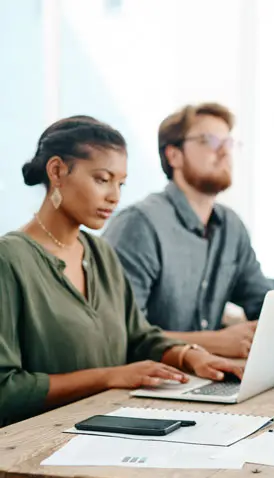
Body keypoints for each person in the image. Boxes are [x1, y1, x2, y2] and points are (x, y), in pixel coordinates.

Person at [0, 116, 241, 427]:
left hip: (109, 429)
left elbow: (139, 337)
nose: (115, 196)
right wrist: (110, 376)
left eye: (121, 183)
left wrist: (192, 356)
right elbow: (5, 388)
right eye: (102, 179)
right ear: (57, 171)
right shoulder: (10, 259)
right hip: (34, 447)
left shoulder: (100, 253)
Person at [104, 103, 274, 359]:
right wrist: (212, 342)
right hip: (145, 385)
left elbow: (261, 303)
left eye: (228, 143)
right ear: (174, 155)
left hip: (206, 376)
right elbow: (120, 332)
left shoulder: (231, 227)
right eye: (209, 141)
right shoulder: (140, 224)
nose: (225, 152)